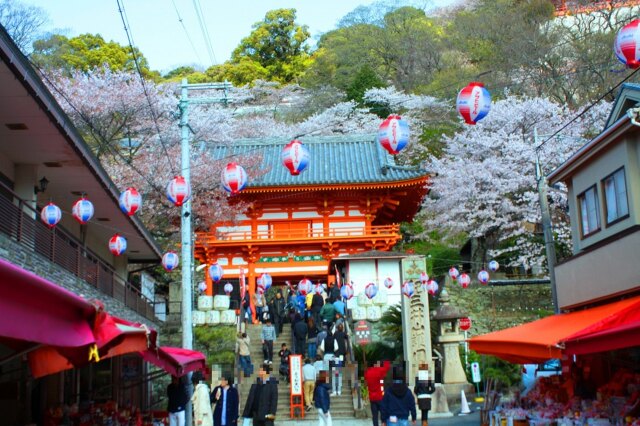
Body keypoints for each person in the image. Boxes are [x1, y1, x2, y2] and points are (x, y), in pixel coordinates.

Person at [365, 360, 391, 426]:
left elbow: (366, 383)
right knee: (383, 414)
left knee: (375, 416)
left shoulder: (368, 372)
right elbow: (387, 367)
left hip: (372, 398)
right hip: (380, 397)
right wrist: (385, 361)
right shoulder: (379, 370)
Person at [331, 323, 348, 396]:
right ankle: (339, 390)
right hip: (342, 352)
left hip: (336, 354)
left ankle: (335, 390)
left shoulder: (335, 333)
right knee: (339, 372)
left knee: (335, 373)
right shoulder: (343, 334)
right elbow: (347, 337)